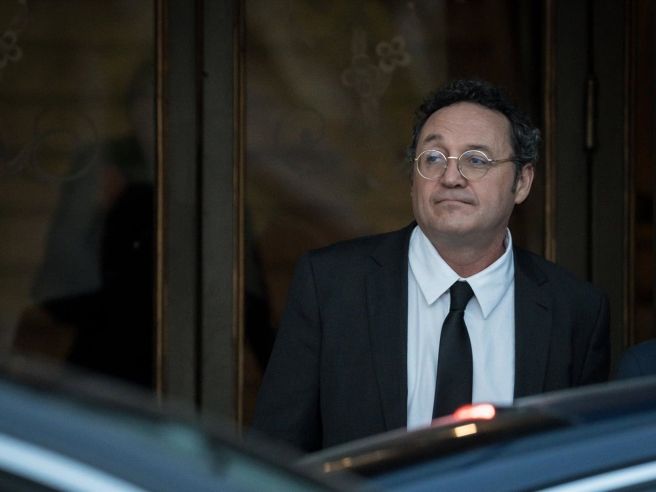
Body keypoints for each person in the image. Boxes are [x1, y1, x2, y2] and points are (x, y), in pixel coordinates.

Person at [250, 79, 610, 452]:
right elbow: (275, 455)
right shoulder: (332, 287)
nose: (451, 178)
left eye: (476, 160)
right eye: (434, 158)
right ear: (413, 179)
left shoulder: (576, 312)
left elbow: (583, 459)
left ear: (522, 182)